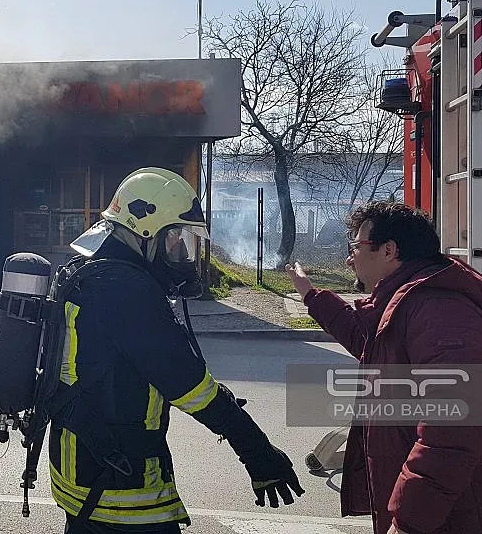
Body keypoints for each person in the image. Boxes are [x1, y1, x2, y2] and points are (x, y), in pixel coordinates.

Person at [54, 167, 304, 533]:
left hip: (81, 468)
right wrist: (257, 452)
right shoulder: (126, 292)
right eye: (174, 239)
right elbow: (190, 387)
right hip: (119, 488)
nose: (180, 251)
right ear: (145, 232)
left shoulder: (92, 273)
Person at [284, 201, 482, 534]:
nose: (350, 258)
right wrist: (309, 294)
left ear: (389, 250)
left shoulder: (439, 311)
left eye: (356, 246)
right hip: (447, 514)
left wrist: (408, 521)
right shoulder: (410, 301)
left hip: (463, 517)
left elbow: (450, 434)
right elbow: (366, 340)